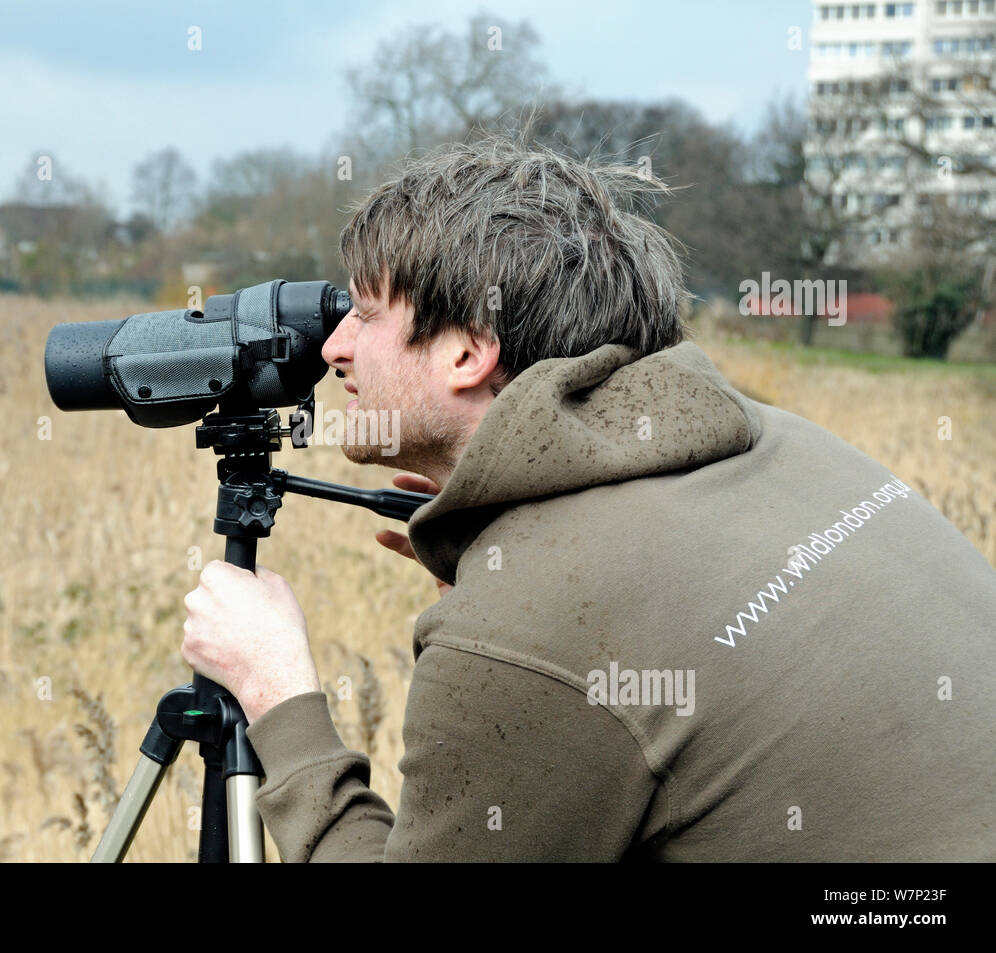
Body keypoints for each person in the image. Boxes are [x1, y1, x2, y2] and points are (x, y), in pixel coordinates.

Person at [180, 133, 996, 861]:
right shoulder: (781, 441)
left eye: (364, 311)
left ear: (469, 348)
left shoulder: (529, 628)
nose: (334, 347)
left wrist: (277, 696)